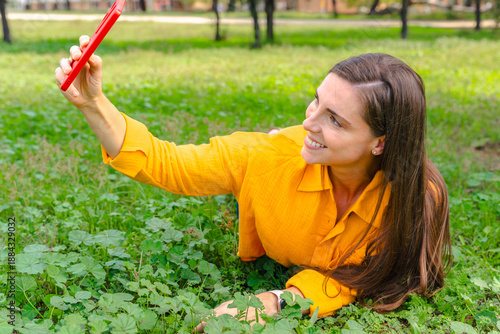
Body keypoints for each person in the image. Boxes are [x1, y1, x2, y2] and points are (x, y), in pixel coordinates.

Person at [55, 36, 452, 330]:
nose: (309, 122)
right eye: (317, 101)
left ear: (380, 143)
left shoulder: (417, 198)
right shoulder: (268, 155)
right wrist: (93, 103)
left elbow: (366, 278)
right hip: (270, 171)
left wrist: (278, 301)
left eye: (335, 119)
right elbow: (168, 163)